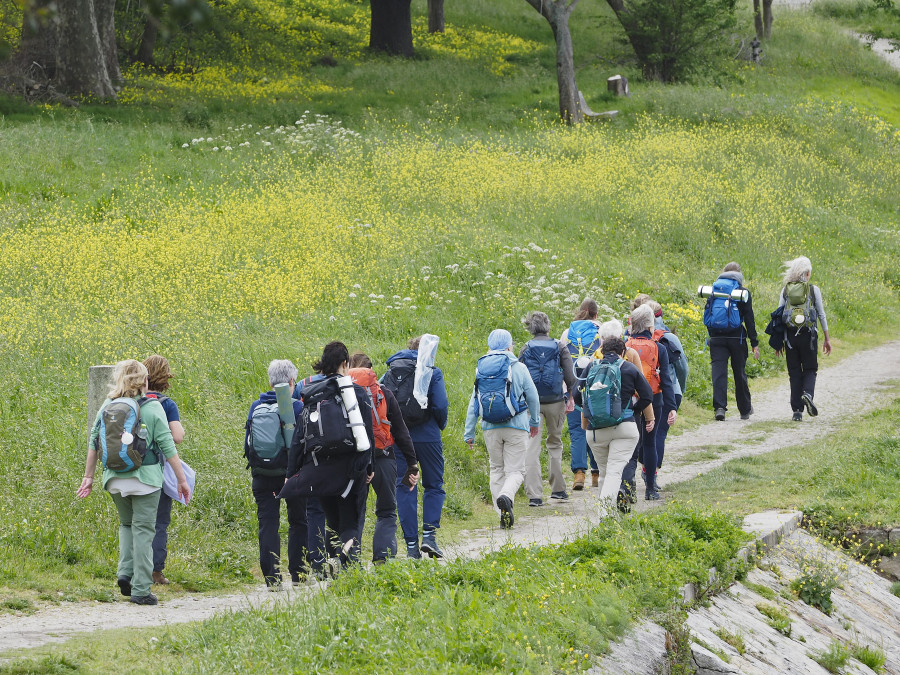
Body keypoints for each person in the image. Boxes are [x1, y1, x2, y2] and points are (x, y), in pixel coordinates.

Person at [78, 360, 191, 606]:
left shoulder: (107, 405)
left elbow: (93, 442)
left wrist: (88, 477)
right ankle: (140, 589)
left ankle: (124, 573)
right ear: (145, 381)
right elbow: (168, 445)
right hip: (145, 479)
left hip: (114, 478)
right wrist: (182, 480)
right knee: (143, 529)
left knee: (126, 525)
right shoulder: (151, 408)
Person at [284, 342, 374, 569]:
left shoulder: (312, 395)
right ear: (345, 363)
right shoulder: (358, 393)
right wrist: (369, 467)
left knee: (332, 522)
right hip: (352, 470)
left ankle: (333, 562)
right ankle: (346, 563)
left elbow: (298, 439)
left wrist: (291, 472)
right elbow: (367, 434)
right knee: (351, 523)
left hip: (320, 470)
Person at [464, 329, 540, 529]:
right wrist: (534, 422)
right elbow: (532, 396)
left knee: (496, 469)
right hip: (517, 425)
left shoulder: (481, 369)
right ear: (509, 346)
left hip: (490, 427)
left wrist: (469, 433)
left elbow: (474, 402)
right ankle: (507, 496)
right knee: (516, 471)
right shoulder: (519, 367)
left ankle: (502, 515)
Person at [348, 352, 420, 563]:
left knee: (354, 512)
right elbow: (401, 431)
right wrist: (412, 464)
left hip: (354, 460)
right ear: (372, 370)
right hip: (384, 457)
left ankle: (351, 560)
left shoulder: (343, 393)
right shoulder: (383, 393)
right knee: (387, 510)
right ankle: (383, 557)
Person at [383, 337, 449, 559]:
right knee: (434, 485)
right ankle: (429, 536)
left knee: (405, 486)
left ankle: (411, 546)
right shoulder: (432, 371)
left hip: (399, 439)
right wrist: (438, 425)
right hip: (428, 436)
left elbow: (382, 402)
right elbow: (440, 404)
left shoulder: (391, 372)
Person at [244, 359, 307, 589]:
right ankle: (299, 575)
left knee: (268, 523)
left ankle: (272, 579)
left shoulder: (255, 407)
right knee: (298, 521)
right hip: (292, 475)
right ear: (292, 382)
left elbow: (247, 444)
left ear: (270, 382)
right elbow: (302, 445)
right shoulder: (297, 407)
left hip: (262, 474)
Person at [575, 337, 654, 515]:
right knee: (614, 472)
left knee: (604, 474)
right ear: (623, 353)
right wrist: (633, 410)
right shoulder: (628, 368)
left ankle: (610, 517)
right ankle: (605, 516)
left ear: (601, 351)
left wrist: (591, 412)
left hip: (595, 431)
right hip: (624, 428)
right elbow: (648, 395)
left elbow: (576, 394)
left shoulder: (591, 367)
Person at [519, 311, 575, 506]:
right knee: (555, 442)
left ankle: (534, 495)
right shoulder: (559, 346)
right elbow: (570, 376)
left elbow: (519, 375)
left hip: (531, 404)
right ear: (548, 327)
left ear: (530, 328)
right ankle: (558, 489)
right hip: (555, 401)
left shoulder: (526, 348)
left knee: (532, 446)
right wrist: (570, 397)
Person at [625, 304, 677, 501]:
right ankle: (650, 489)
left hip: (630, 399)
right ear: (650, 327)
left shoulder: (625, 346)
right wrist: (671, 407)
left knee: (631, 444)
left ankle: (628, 489)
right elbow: (666, 380)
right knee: (650, 443)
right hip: (654, 399)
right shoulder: (659, 348)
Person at [142, 355, 185, 587]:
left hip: (130, 468)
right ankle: (156, 572)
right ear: (166, 375)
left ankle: (131, 569)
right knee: (159, 523)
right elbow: (177, 437)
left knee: (134, 523)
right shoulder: (166, 404)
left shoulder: (131, 399)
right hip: (157, 468)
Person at [775, 256, 832, 421]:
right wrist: (827, 339)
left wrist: (779, 342)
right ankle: (807, 394)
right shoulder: (813, 290)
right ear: (807, 273)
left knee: (794, 372)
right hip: (808, 336)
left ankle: (797, 412)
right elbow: (821, 314)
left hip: (790, 337)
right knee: (810, 369)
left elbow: (778, 316)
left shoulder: (785, 290)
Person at [705, 262, 760, 421]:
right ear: (739, 274)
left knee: (719, 374)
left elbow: (709, 314)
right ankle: (744, 409)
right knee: (739, 373)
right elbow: (749, 319)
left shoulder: (714, 289)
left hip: (716, 338)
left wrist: (712, 335)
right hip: (737, 338)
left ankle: (720, 408)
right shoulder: (742, 292)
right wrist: (754, 342)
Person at [560, 299, 603, 491]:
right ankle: (596, 473)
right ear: (595, 314)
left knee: (577, 431)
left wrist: (565, 390)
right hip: (595, 387)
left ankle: (579, 474)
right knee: (595, 429)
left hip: (573, 386)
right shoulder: (600, 330)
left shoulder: (567, 333)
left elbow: (562, 362)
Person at [647, 301, 687, 471]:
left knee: (646, 433)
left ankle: (644, 468)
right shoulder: (669, 337)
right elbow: (683, 368)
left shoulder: (632, 338)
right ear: (660, 315)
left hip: (644, 391)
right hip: (669, 391)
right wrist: (680, 390)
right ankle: (652, 472)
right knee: (660, 433)